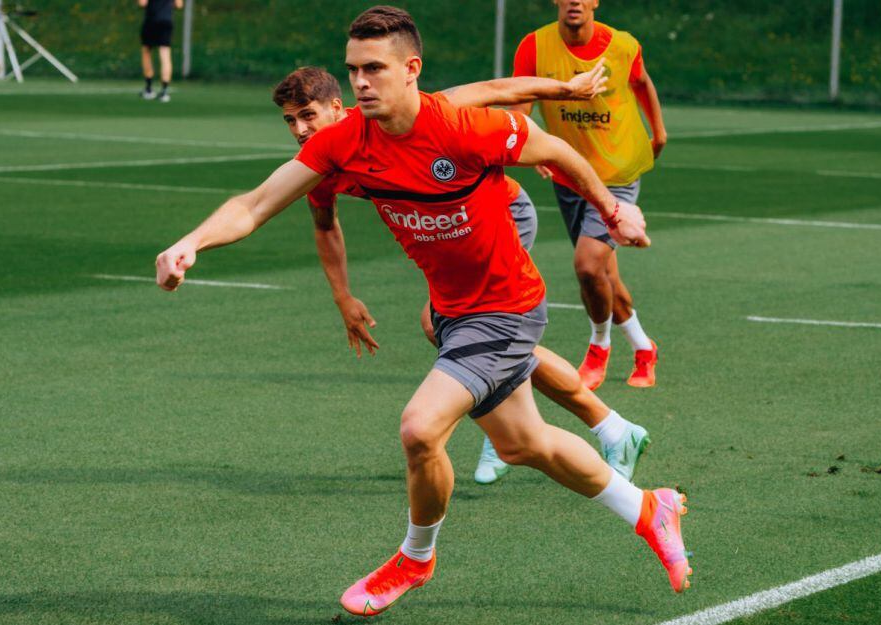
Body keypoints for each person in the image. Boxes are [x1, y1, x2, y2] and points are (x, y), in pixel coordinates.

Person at [155, 6, 692, 617]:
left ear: (410, 70)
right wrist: (190, 243)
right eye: (353, 69)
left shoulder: (462, 127)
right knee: (525, 443)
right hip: (455, 307)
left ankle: (415, 557)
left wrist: (612, 208)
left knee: (419, 427)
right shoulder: (342, 143)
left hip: (507, 305)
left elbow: (557, 150)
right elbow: (254, 204)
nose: (360, 82)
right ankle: (649, 508)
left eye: (374, 69)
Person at [272, 66, 651, 485]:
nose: (300, 129)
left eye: (308, 115)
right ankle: (606, 427)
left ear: (337, 107)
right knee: (467, 334)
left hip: (501, 213)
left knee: (454, 328)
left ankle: (567, 422)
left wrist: (565, 88)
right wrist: (342, 296)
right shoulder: (321, 163)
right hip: (453, 237)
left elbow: (492, 89)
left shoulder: (410, 115)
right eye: (290, 120)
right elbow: (325, 225)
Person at [512, 0, 667, 390]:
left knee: (587, 265)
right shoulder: (534, 46)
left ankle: (598, 348)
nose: (575, 1)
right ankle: (644, 348)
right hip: (570, 175)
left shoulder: (623, 45)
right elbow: (520, 103)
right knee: (602, 274)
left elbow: (642, 82)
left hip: (617, 172)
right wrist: (529, 146)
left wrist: (659, 131)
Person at [138, 0, 183, 102]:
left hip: (151, 20)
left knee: (146, 51)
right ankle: (164, 91)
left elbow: (142, 3)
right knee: (165, 53)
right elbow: (179, 5)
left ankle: (149, 89)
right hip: (166, 20)